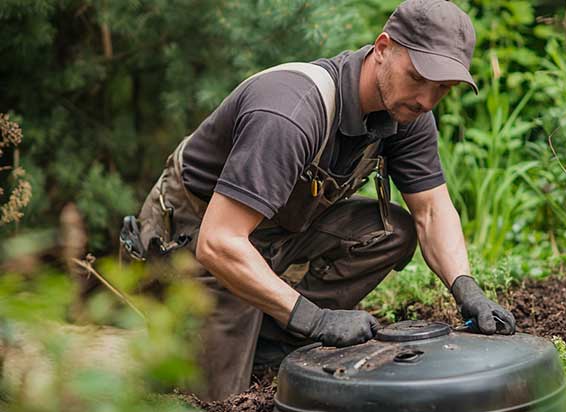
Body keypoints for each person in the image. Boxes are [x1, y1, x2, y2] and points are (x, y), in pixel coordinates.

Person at [121, 0, 516, 402]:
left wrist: (467, 289)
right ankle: (216, 331)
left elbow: (431, 211)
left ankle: (269, 340)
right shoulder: (290, 112)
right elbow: (218, 242)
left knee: (390, 231)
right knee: (219, 398)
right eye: (417, 77)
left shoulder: (406, 114)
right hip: (192, 245)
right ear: (382, 49)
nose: (427, 100)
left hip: (269, 235)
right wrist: (315, 319)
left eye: (442, 89)